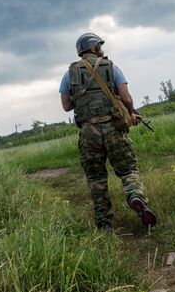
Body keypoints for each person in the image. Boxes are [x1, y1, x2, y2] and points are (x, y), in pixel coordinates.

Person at [59, 32, 157, 231]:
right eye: (99, 46)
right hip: (114, 129)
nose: (102, 49)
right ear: (94, 48)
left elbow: (66, 106)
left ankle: (104, 223)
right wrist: (130, 115)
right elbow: (127, 99)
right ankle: (136, 197)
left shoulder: (69, 74)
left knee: (96, 178)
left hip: (88, 134)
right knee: (128, 170)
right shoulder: (112, 67)